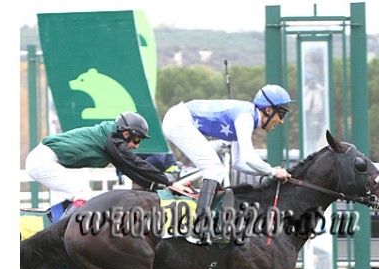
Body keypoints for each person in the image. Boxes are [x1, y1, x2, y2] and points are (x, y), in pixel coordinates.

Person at [162, 84, 295, 240]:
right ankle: (199, 227)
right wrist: (272, 171)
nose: (281, 121)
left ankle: (203, 223)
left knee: (216, 169)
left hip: (178, 118)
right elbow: (249, 157)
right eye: (282, 114)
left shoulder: (248, 117)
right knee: (215, 169)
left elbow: (239, 163)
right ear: (269, 110)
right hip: (179, 120)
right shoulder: (245, 118)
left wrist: (267, 172)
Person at [26, 112, 190, 220]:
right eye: (136, 139)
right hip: (42, 161)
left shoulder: (111, 141)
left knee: (79, 195)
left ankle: (56, 227)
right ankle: (58, 236)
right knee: (84, 195)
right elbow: (136, 163)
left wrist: (160, 186)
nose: (136, 146)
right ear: (126, 133)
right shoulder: (112, 140)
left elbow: (131, 172)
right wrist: (169, 182)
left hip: (44, 159)